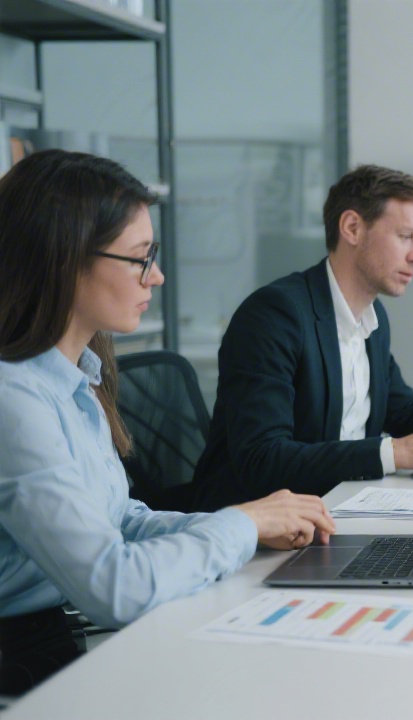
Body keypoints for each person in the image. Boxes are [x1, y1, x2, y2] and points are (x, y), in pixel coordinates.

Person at [0, 150, 336, 695]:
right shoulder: (14, 400)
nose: (155, 276)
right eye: (140, 258)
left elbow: (119, 520)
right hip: (26, 662)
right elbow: (114, 586)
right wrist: (242, 526)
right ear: (64, 259)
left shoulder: (72, 378)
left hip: (63, 634)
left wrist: (243, 528)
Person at [191, 164, 413, 511]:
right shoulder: (275, 315)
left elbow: (400, 407)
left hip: (340, 505)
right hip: (259, 531)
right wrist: (399, 452)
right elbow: (262, 460)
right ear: (352, 228)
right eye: (406, 237)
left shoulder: (371, 319)